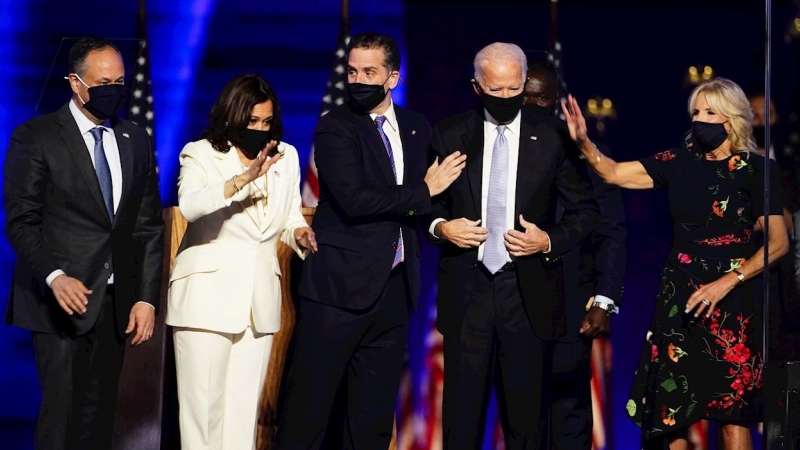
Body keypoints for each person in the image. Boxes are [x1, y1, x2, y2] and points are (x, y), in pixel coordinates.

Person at [562, 78, 789, 449]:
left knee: (732, 415)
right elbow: (614, 172)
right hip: (680, 295)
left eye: (709, 112)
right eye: (695, 112)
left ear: (730, 119)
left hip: (734, 302)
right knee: (673, 412)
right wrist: (584, 143)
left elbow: (778, 243)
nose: (699, 119)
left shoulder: (757, 170)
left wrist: (728, 280)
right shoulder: (678, 162)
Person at [274, 32, 465, 450]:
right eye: (352, 71)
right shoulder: (335, 126)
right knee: (310, 410)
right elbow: (356, 198)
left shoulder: (416, 126)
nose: (358, 79)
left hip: (395, 287)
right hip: (338, 290)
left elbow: (424, 203)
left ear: (392, 78)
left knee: (373, 419)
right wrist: (423, 192)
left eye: (369, 72)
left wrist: (439, 222)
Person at [429, 42, 599, 449]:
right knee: (462, 424)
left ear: (524, 83)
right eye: (496, 90)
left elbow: (586, 212)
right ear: (476, 86)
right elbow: (426, 205)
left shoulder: (555, 136)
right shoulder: (451, 133)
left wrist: (547, 241)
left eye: (513, 89)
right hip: (468, 294)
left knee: (527, 427)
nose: (506, 98)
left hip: (528, 295)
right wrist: (441, 227)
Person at [3, 37, 164, 450]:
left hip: (114, 305)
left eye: (121, 82)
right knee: (61, 418)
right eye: (104, 82)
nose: (114, 90)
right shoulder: (36, 136)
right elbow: (22, 221)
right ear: (75, 83)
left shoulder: (135, 139)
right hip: (59, 301)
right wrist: (55, 276)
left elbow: (147, 226)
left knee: (100, 418)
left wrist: (146, 299)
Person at [165, 73, 315, 450]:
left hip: (258, 302)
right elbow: (191, 206)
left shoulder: (287, 157)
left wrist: (297, 232)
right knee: (203, 414)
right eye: (252, 122)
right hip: (205, 301)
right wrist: (244, 178)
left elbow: (288, 216)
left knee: (242, 417)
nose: (260, 129)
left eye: (266, 122)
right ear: (233, 117)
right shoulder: (199, 154)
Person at [523, 62, 627, 449]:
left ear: (557, 102)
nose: (533, 103)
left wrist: (605, 299)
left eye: (542, 97)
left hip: (572, 302)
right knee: (522, 414)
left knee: (569, 413)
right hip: (514, 305)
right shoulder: (498, 148)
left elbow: (612, 230)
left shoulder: (589, 155)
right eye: (525, 95)